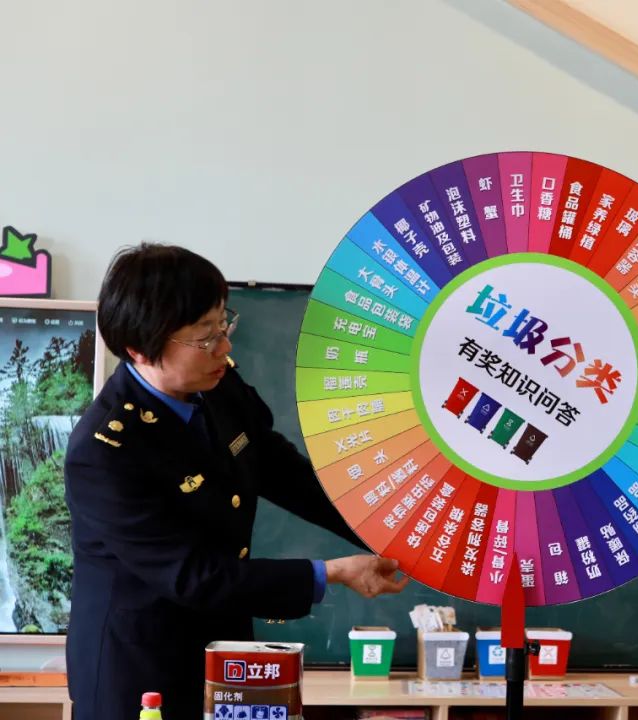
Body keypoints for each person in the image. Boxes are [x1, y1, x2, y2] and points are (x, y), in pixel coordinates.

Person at [64, 244, 409, 720]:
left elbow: (277, 466)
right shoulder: (105, 450)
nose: (224, 348)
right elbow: (194, 577)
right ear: (140, 347)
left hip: (225, 645)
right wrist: (330, 572)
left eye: (223, 325)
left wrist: (385, 527)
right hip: (140, 668)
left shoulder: (215, 384)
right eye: (204, 337)